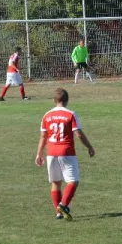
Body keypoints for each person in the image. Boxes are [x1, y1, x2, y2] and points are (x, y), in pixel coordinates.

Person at [35, 88, 95, 220]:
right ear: (67, 101)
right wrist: (89, 146)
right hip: (66, 151)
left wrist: (39, 153)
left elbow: (43, 136)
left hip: (51, 152)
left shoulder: (47, 115)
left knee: (56, 182)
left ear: (53, 100)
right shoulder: (70, 114)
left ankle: (58, 212)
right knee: (73, 181)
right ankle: (62, 205)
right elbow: (78, 134)